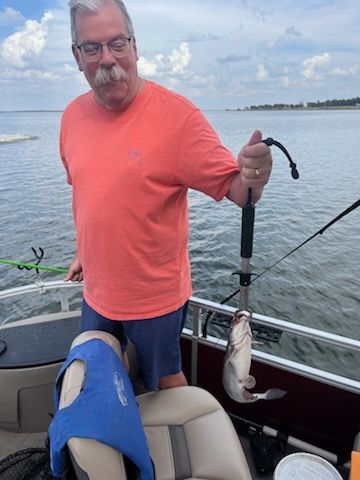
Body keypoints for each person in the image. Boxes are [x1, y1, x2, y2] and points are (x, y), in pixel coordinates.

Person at [63, 0, 273, 391]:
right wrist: (83, 252)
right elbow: (91, 197)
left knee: (165, 381)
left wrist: (254, 176)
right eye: (92, 47)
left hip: (155, 302)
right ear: (77, 56)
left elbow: (239, 193)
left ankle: (174, 448)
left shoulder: (179, 117)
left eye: (117, 43)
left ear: (135, 46)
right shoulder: (71, 117)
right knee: (100, 373)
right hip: (96, 292)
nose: (107, 58)